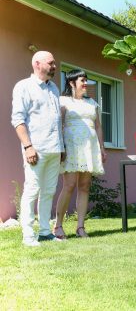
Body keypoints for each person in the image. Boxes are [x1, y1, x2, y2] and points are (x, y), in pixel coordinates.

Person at [11, 51, 65, 247]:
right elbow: (18, 120)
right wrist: (28, 146)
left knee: (49, 191)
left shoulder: (54, 88)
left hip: (54, 148)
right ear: (37, 63)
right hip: (36, 149)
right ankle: (28, 235)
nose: (54, 66)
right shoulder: (24, 87)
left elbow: (56, 120)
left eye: (54, 62)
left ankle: (44, 232)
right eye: (51, 63)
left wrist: (61, 147)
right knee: (32, 190)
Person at [54, 69, 106, 239]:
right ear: (71, 83)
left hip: (89, 148)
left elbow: (98, 126)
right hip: (71, 147)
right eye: (82, 80)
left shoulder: (92, 102)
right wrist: (61, 147)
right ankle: (58, 226)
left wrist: (102, 148)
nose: (86, 84)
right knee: (68, 185)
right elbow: (59, 124)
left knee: (85, 186)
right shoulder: (63, 101)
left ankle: (80, 227)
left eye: (86, 81)